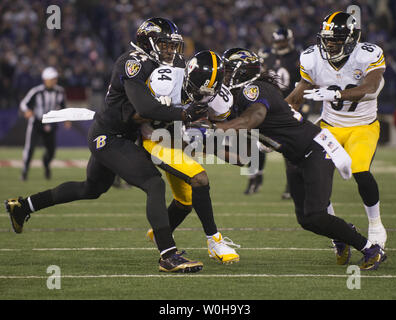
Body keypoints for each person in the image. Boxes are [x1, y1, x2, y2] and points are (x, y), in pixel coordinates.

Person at [4, 17, 208, 273]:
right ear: (148, 42)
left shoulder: (162, 65)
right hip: (110, 136)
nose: (170, 50)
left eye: (172, 45)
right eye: (164, 44)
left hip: (121, 134)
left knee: (92, 188)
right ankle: (168, 255)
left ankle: (23, 206)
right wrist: (185, 114)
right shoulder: (132, 62)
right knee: (154, 183)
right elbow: (146, 107)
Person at [190, 47, 386, 270]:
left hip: (315, 150)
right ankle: (343, 233)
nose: (223, 78)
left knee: (316, 215)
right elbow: (243, 158)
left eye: (227, 72)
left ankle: (371, 248)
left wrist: (214, 128)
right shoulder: (238, 97)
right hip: (296, 157)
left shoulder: (253, 89)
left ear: (241, 73)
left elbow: (253, 119)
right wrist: (208, 144)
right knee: (306, 220)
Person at [285, 12, 388, 252]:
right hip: (329, 125)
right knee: (313, 175)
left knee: (361, 170)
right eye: (327, 38)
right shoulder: (312, 58)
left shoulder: (368, 54)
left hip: (362, 126)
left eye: (335, 39)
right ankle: (337, 231)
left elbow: (371, 87)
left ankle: (375, 223)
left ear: (352, 39)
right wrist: (277, 116)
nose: (329, 44)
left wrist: (337, 94)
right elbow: (299, 93)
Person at [143, 50, 240, 264]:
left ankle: (160, 234)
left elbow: (218, 125)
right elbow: (141, 109)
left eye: (208, 94)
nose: (201, 97)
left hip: (179, 142)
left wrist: (206, 132)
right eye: (198, 91)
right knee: (199, 177)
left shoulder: (221, 98)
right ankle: (215, 242)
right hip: (155, 137)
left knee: (185, 202)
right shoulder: (164, 79)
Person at [246, 27, 307, 197]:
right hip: (269, 105)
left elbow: (305, 82)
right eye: (277, 41)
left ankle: (291, 185)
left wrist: (303, 104)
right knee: (256, 143)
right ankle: (254, 179)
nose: (279, 44)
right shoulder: (267, 55)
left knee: (290, 148)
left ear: (289, 40)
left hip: (291, 106)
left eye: (282, 41)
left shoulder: (299, 56)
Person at [19, 67, 70, 181]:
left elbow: (63, 106)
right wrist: (27, 111)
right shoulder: (36, 91)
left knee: (51, 151)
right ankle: (25, 171)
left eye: (55, 78)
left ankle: (46, 164)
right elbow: (24, 103)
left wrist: (66, 119)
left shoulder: (60, 91)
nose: (54, 81)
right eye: (51, 79)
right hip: (37, 122)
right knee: (30, 148)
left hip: (51, 122)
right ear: (45, 79)